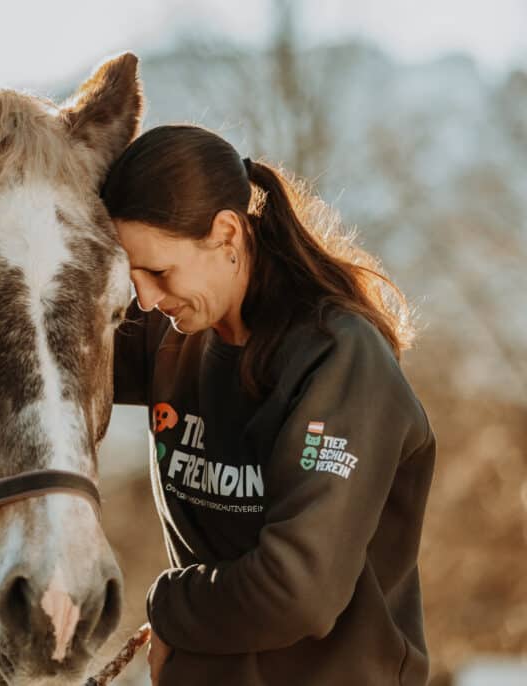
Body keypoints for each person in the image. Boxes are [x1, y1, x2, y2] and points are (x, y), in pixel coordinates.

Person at [102, 124, 435, 685]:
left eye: (158, 271)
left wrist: (169, 605)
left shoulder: (339, 359)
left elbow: (297, 592)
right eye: (131, 274)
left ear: (227, 234)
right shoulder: (171, 331)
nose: (146, 298)